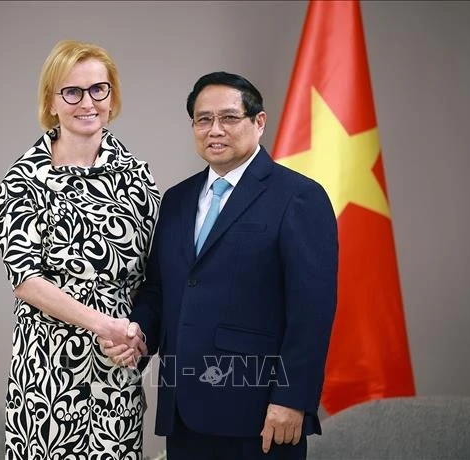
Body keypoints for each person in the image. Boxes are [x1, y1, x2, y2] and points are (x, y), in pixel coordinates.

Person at [101, 71, 338, 459]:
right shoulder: (176, 200)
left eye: (229, 118)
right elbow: (160, 289)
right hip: (183, 411)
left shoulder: (298, 197)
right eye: (203, 119)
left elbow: (312, 311)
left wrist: (292, 399)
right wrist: (138, 334)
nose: (215, 129)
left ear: (258, 122)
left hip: (260, 414)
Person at [0, 39, 160, 460]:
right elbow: (26, 282)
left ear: (112, 95)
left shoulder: (137, 176)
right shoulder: (22, 180)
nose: (88, 102)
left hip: (116, 364)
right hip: (48, 376)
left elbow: (156, 275)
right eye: (73, 91)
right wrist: (104, 324)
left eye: (98, 89)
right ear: (52, 100)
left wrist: (136, 333)